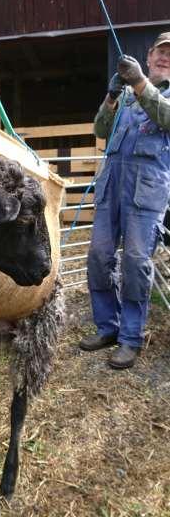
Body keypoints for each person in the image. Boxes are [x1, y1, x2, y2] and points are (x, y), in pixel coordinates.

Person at [79, 32, 170, 369]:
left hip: (146, 192)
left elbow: (166, 117)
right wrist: (112, 94)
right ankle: (108, 327)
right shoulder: (129, 97)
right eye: (159, 52)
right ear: (148, 56)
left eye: (169, 55)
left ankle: (131, 338)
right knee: (99, 256)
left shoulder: (160, 95)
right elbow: (101, 130)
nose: (164, 58)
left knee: (135, 262)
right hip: (112, 184)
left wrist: (141, 82)